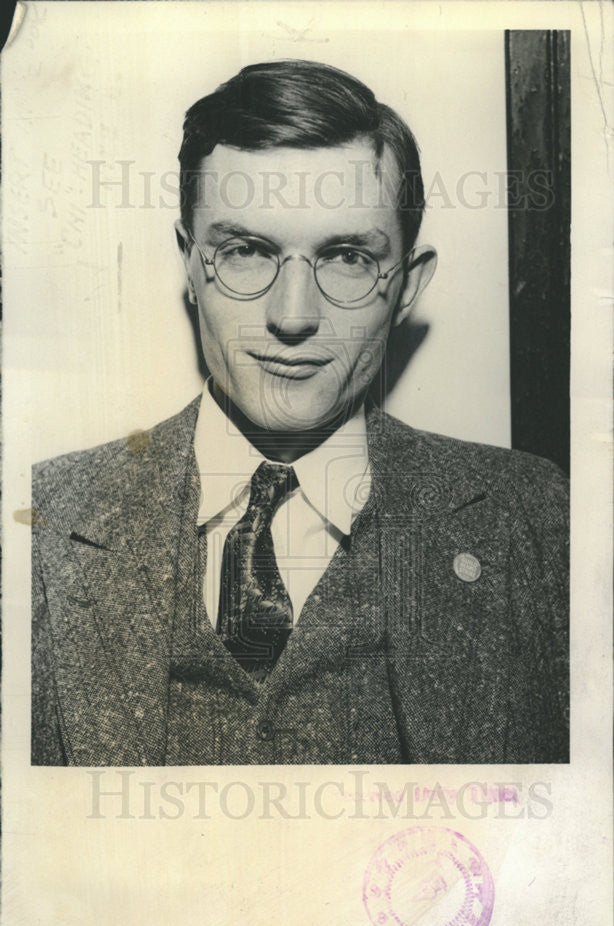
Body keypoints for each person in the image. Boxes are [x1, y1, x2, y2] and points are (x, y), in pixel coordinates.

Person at [31, 59, 569, 767]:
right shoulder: (45, 521)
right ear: (191, 267)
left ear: (406, 285)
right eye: (248, 251)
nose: (292, 318)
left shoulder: (535, 520)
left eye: (346, 257)